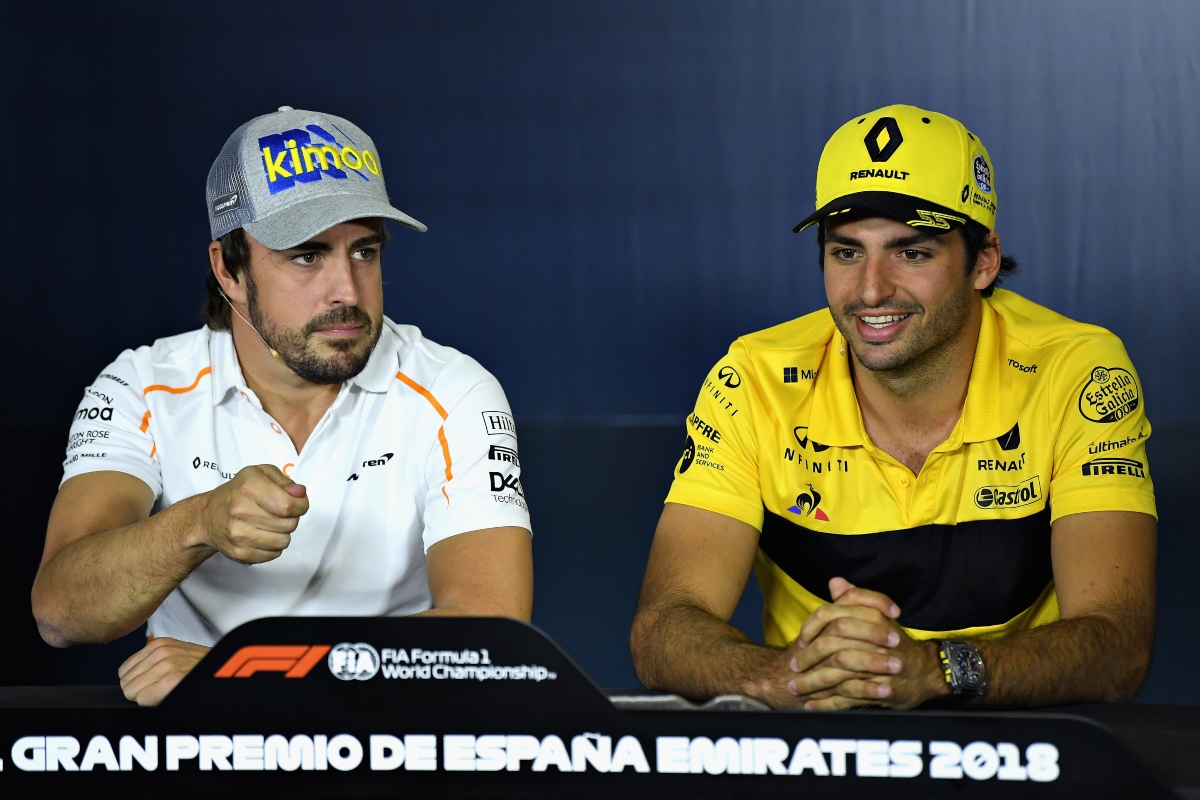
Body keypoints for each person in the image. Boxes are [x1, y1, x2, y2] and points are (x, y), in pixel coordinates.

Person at [630, 105, 1156, 710]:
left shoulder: (1076, 370)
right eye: (847, 253)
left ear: (984, 260)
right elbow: (663, 627)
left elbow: (1120, 647)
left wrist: (934, 672)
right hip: (823, 744)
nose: (872, 290)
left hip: (1020, 753)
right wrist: (785, 678)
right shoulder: (754, 378)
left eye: (912, 253)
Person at [32, 107, 533, 706]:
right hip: (200, 759)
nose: (347, 290)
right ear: (228, 269)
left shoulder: (455, 391)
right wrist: (201, 522)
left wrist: (247, 673)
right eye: (307, 256)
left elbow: (492, 635)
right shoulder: (141, 386)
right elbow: (60, 612)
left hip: (390, 744)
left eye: (364, 252)